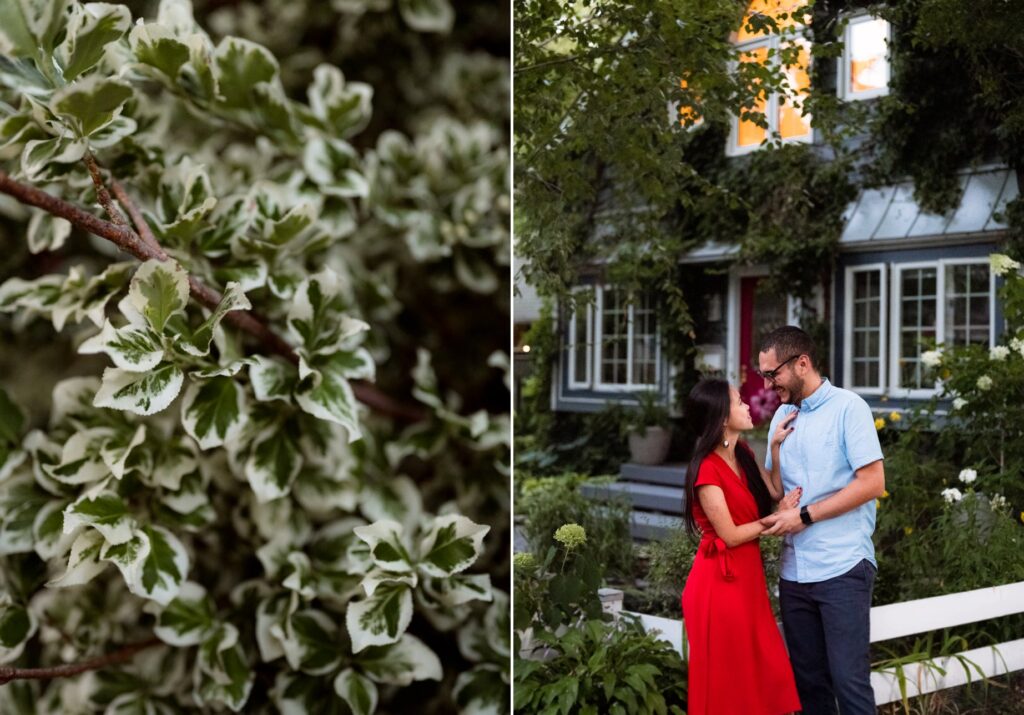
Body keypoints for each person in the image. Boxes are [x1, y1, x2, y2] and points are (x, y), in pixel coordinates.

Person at [758, 325, 885, 715]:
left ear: (802, 363)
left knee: (849, 684)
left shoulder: (850, 407)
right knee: (809, 687)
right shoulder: (782, 415)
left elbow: (873, 483)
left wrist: (806, 516)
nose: (767, 385)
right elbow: (777, 493)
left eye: (772, 374)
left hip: (842, 567)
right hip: (794, 572)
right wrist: (775, 455)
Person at [681, 378, 803, 715]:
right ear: (722, 417)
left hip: (746, 580)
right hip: (718, 586)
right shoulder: (706, 469)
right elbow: (730, 535)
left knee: (763, 668)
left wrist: (775, 449)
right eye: (738, 402)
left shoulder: (744, 452)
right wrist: (777, 521)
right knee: (729, 682)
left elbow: (775, 494)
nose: (748, 405)